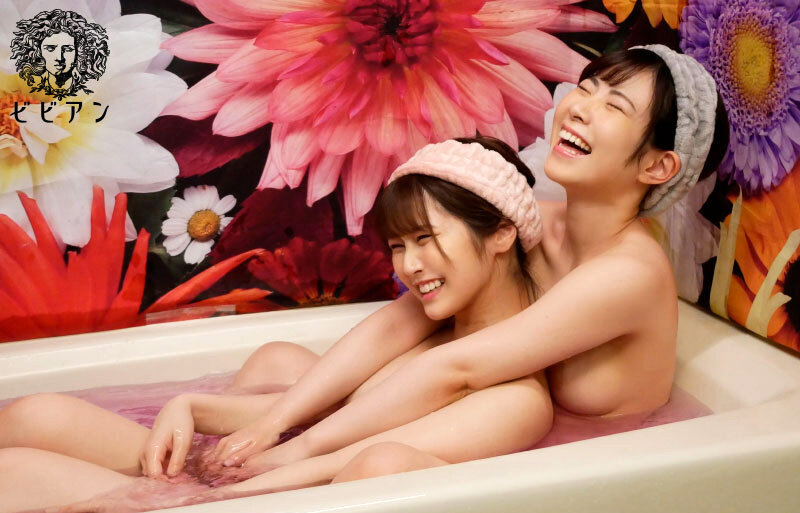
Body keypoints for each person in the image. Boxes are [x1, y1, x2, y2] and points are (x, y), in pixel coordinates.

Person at [180, 44, 730, 483]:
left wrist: (293, 448)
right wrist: (274, 423)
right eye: (587, 89)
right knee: (274, 363)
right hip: (486, 429)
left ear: (658, 167)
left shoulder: (629, 274)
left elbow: (460, 365)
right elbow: (401, 322)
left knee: (367, 460)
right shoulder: (530, 221)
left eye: (614, 107)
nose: (580, 108)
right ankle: (192, 474)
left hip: (575, 474)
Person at [0, 136, 553, 513]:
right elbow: (308, 415)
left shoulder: (517, 399)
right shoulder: (423, 326)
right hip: (237, 477)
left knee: (13, 475)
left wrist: (166, 502)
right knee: (35, 414)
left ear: (502, 235)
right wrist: (191, 407)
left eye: (426, 239)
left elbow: (341, 466)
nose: (408, 265)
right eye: (398, 246)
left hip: (261, 508)